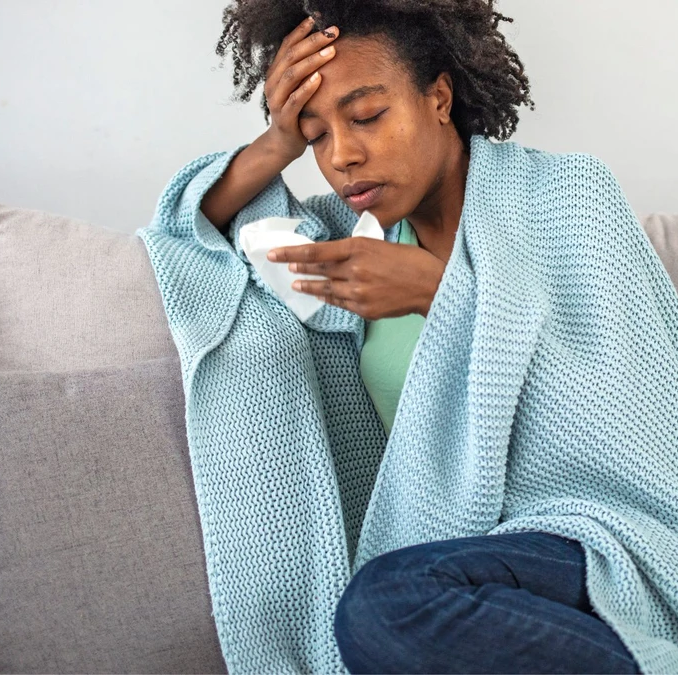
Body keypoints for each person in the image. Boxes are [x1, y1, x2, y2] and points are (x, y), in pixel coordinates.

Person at [201, 1, 640, 672]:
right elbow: (199, 233)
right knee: (384, 610)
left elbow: (627, 427)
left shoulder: (566, 196)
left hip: (596, 542)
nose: (343, 156)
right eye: (318, 135)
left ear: (439, 96)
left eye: (368, 115)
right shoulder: (354, 248)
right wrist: (277, 144)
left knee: (385, 604)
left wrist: (441, 293)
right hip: (466, 565)